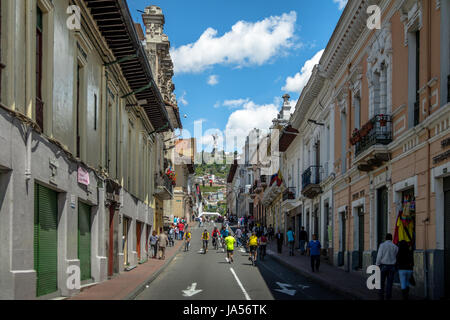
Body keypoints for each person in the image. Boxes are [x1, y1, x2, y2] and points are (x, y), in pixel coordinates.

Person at [376, 233, 399, 300]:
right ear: (391, 238)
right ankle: (388, 296)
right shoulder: (395, 247)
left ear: (385, 238)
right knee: (390, 282)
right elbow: (396, 256)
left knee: (382, 282)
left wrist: (377, 264)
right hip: (392, 267)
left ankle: (381, 295)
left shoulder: (382, 245)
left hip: (383, 266)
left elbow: (379, 256)